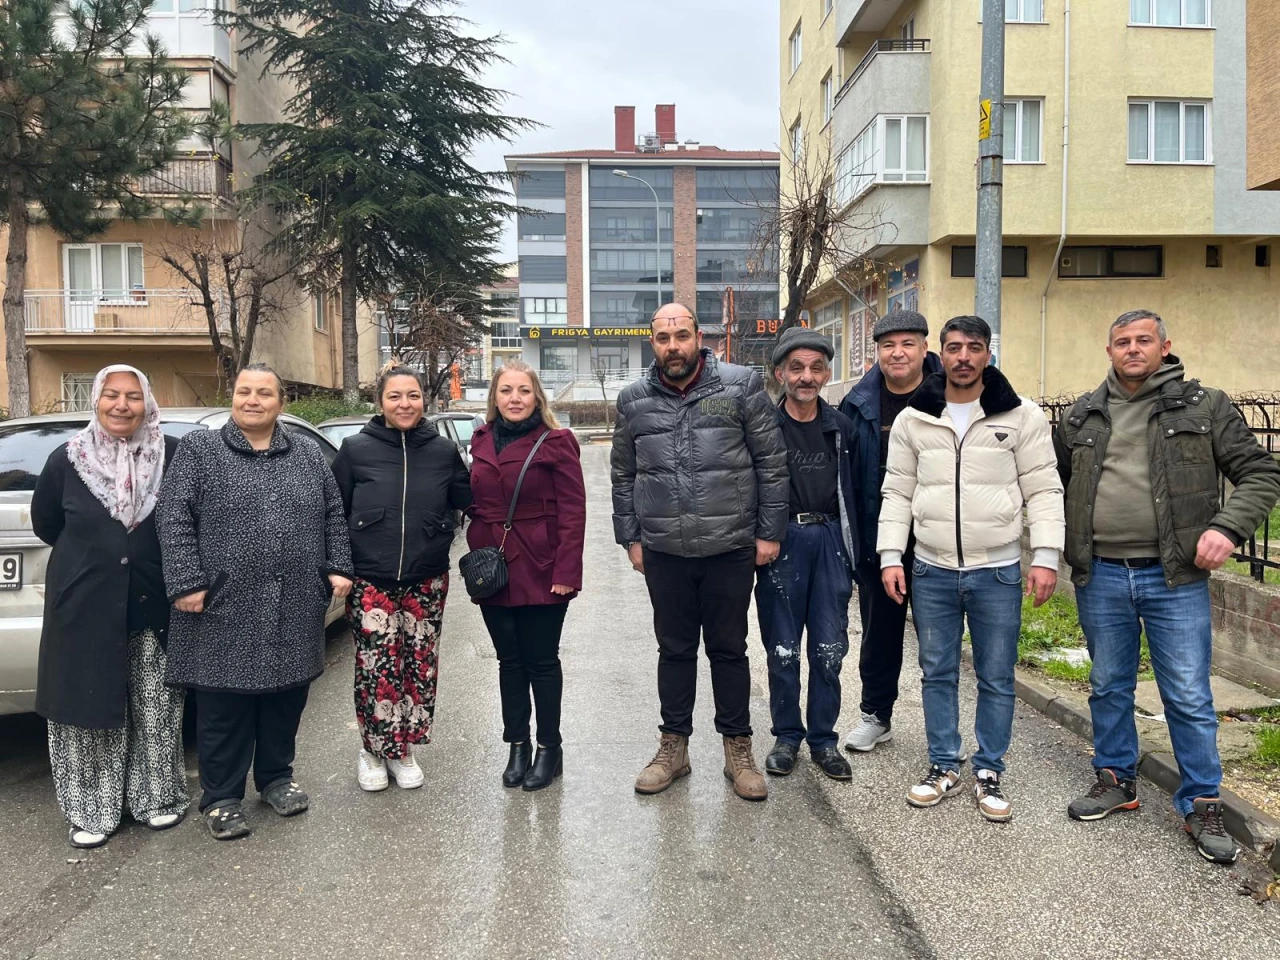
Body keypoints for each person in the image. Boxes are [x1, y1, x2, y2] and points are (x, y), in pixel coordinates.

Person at [1054, 309, 1280, 864]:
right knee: (1108, 683)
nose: (1133, 349)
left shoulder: (1205, 406)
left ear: (1165, 346)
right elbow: (1053, 485)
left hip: (1173, 574)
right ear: (1109, 350)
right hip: (1101, 571)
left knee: (1187, 693)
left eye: (1143, 340)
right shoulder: (1082, 415)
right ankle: (1115, 779)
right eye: (1122, 342)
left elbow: (1261, 472)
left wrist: (1228, 528)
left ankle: (1202, 801)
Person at [879, 315, 1063, 822]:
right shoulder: (916, 417)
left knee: (996, 676)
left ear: (988, 353)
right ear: (942, 352)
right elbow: (897, 491)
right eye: (954, 347)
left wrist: (1046, 556)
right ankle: (943, 764)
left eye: (974, 348)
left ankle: (989, 769)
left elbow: (1044, 488)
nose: (963, 357)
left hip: (997, 571)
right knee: (936, 671)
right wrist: (891, 555)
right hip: (932, 570)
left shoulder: (1021, 416)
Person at [157, 364, 353, 841]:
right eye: (244, 391)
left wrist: (338, 566)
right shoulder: (201, 450)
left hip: (295, 599)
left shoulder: (305, 454)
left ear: (280, 403)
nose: (253, 400)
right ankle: (221, 798)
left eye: (264, 393)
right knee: (225, 705)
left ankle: (276, 779)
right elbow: (173, 516)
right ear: (233, 397)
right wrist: (185, 581)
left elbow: (333, 513)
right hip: (224, 602)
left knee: (286, 698)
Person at [611, 303, 787, 802]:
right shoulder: (633, 400)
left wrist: (769, 532)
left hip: (730, 546)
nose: (673, 347)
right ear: (653, 343)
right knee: (674, 650)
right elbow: (623, 475)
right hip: (664, 550)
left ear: (698, 337)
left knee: (729, 649)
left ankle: (738, 749)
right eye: (663, 339)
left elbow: (771, 463)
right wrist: (632, 537)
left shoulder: (738, 386)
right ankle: (674, 747)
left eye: (681, 336)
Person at [30, 365, 188, 848]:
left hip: (152, 603)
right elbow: (47, 524)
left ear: (148, 404)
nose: (122, 405)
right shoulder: (67, 460)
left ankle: (156, 798)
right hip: (84, 605)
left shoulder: (172, 455)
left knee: (156, 705)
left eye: (133, 397)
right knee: (86, 704)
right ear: (97, 399)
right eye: (112, 395)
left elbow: (185, 519)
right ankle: (91, 809)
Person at [331, 363, 472, 793]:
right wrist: (337, 566)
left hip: (426, 579)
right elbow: (333, 513)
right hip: (370, 579)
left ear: (423, 401)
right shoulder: (356, 449)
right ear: (381, 403)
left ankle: (404, 748)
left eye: (412, 396)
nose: (404, 404)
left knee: (419, 666)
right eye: (395, 396)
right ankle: (373, 750)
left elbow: (469, 501)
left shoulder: (442, 451)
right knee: (377, 666)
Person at [467, 361, 586, 792]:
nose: (514, 398)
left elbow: (574, 511)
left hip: (542, 566)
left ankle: (549, 748)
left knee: (540, 661)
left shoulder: (556, 441)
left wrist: (567, 570)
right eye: (506, 391)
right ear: (494, 398)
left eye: (523, 390)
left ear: (537, 397)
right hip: (493, 569)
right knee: (509, 662)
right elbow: (472, 497)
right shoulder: (480, 440)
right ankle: (516, 744)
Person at [755, 327, 859, 782]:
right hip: (783, 544)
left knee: (828, 647)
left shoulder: (842, 428)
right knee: (782, 647)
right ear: (780, 373)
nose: (806, 376)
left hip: (832, 541)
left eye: (816, 368)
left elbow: (860, 494)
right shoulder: (764, 429)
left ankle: (823, 739)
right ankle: (786, 736)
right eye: (796, 368)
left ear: (826, 373)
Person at [838, 310, 942, 753]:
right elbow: (845, 478)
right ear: (877, 352)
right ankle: (876, 715)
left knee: (940, 642)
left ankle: (944, 728)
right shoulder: (857, 404)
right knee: (880, 634)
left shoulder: (954, 396)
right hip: (880, 541)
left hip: (941, 538)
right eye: (887, 345)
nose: (897, 353)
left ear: (924, 347)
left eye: (907, 343)